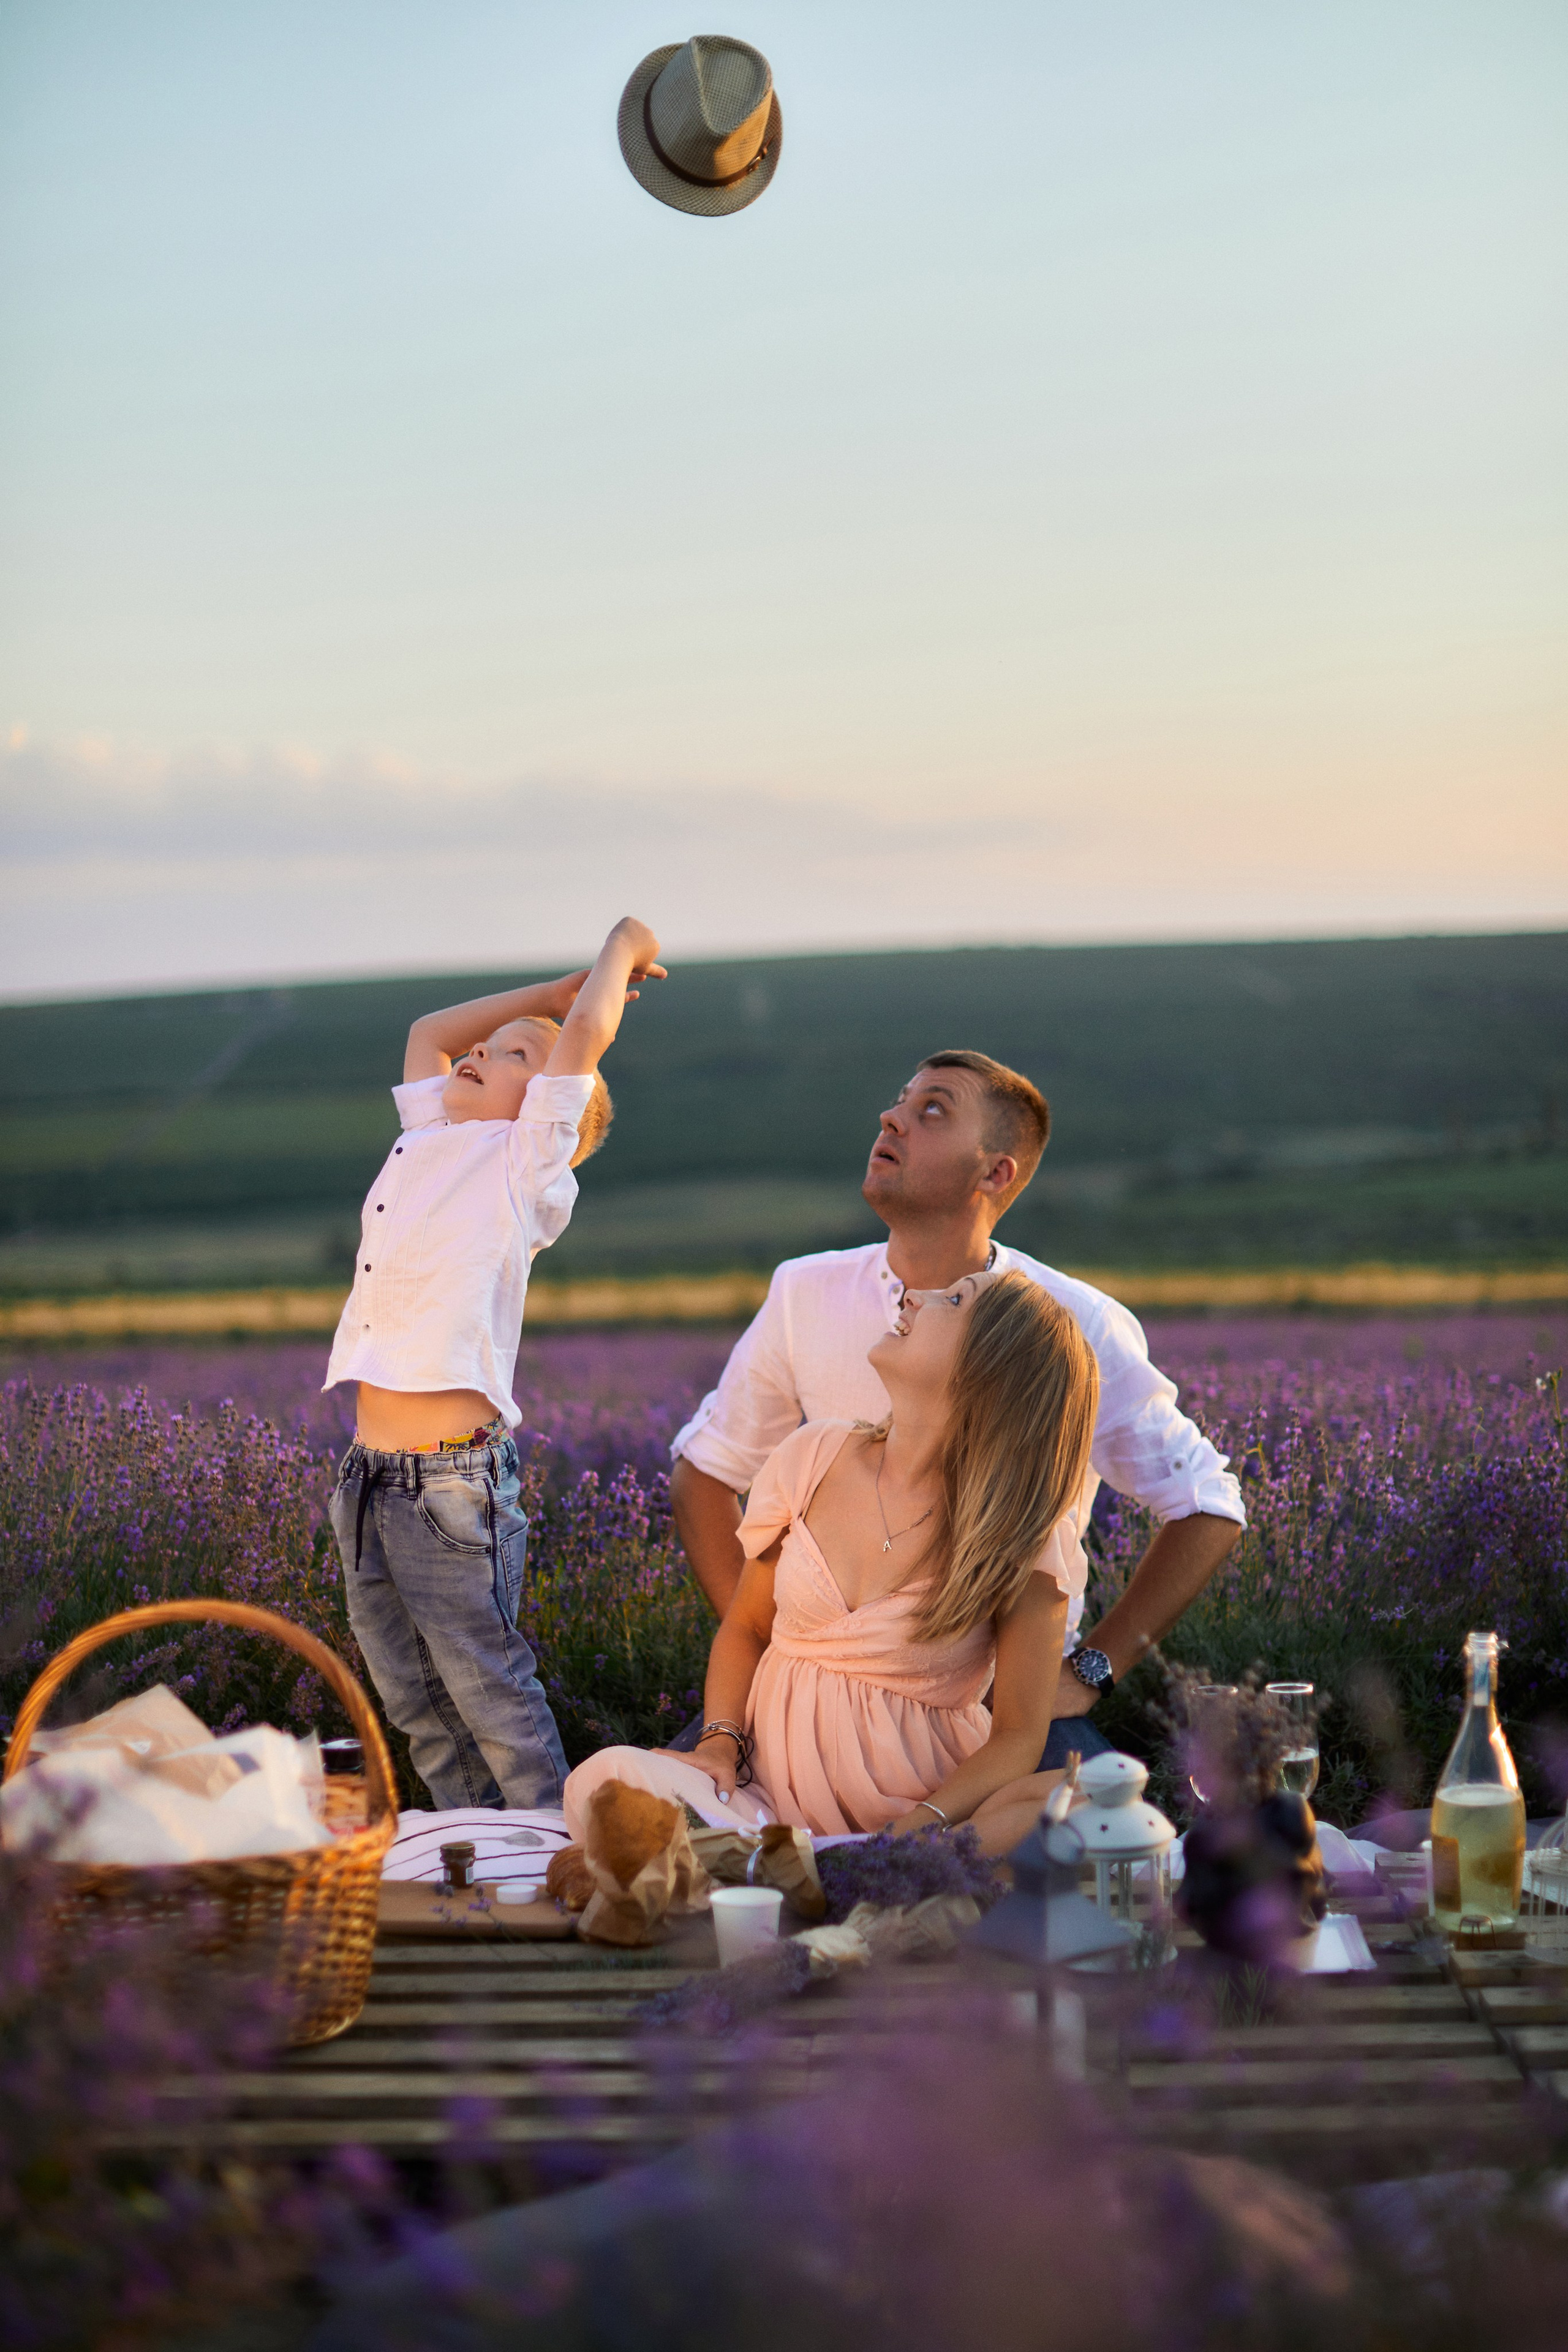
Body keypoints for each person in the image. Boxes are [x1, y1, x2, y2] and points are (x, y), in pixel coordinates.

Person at [669, 1049, 1245, 1768]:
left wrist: (1091, 1669)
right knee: (645, 1816)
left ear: (994, 1173)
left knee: (1081, 1829)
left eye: (932, 1110)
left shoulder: (1071, 1323)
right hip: (805, 1693)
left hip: (991, 1707)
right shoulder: (804, 1293)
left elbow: (1206, 1503)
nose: (891, 1118)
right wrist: (777, 1650)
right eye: (900, 1101)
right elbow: (704, 1474)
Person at [565, 1269, 1098, 1856]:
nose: (913, 1294)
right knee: (608, 1779)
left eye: (953, 1299)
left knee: (1081, 1802)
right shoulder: (813, 1456)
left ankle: (854, 1869)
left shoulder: (1022, 1536)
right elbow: (747, 1627)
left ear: (988, 1368)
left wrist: (916, 1828)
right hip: (765, 1805)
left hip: (921, 1815)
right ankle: (804, 1869)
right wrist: (719, 1742)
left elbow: (1018, 1737)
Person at [322, 916, 665, 1810]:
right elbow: (431, 1031)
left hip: (449, 1483)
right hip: (368, 1474)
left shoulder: (525, 1163)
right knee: (414, 1698)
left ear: (551, 1111)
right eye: (492, 1045)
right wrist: (544, 996)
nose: (479, 1052)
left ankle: (549, 1844)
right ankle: (476, 1854)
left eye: (517, 1056)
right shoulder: (433, 1133)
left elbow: (583, 1040)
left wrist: (620, 947)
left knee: (489, 1690)